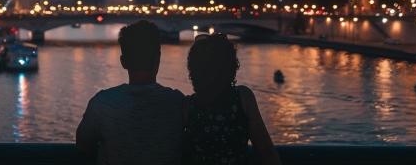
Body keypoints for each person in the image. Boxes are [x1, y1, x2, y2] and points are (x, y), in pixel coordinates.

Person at [76, 20, 184, 164]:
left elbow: (83, 145)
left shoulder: (102, 103)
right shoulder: (179, 104)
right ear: (158, 58)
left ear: (123, 62)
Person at [182, 34, 281, 165]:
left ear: (193, 71)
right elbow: (266, 150)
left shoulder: (187, 107)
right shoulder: (243, 98)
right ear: (231, 66)